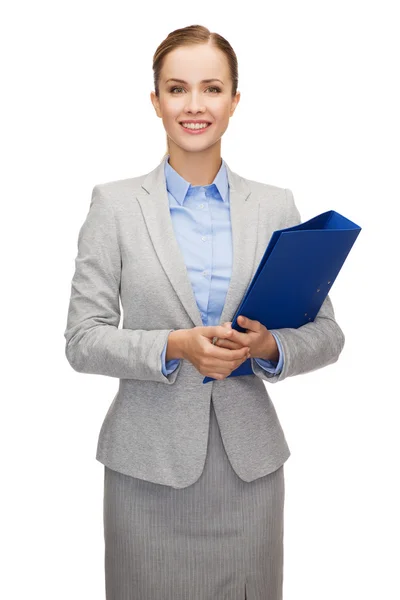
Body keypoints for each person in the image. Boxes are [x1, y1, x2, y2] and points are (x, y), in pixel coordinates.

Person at [64, 24, 345, 600]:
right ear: (156, 101)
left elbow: (328, 333)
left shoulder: (275, 204)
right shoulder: (114, 206)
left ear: (235, 101)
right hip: (147, 471)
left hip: (250, 471)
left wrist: (269, 347)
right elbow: (83, 339)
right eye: (177, 89)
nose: (195, 105)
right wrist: (174, 345)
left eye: (212, 89)